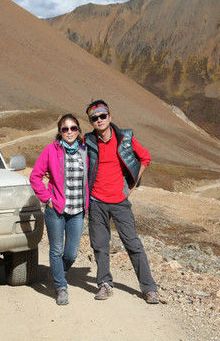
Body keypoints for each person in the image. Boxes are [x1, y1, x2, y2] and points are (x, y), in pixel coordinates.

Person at [84, 100, 159, 304]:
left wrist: (132, 184)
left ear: (110, 117)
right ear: (91, 121)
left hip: (119, 201)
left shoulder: (125, 137)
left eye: (102, 116)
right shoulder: (88, 140)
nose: (99, 120)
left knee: (133, 244)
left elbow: (145, 157)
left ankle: (149, 288)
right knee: (100, 245)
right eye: (94, 118)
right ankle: (105, 284)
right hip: (96, 201)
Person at [30, 114, 88, 305]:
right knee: (56, 250)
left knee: (71, 253)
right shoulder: (50, 150)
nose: (69, 132)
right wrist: (47, 198)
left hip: (78, 210)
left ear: (78, 131)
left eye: (73, 128)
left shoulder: (84, 151)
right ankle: (61, 287)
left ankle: (57, 272)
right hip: (56, 210)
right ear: (60, 131)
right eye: (65, 129)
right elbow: (35, 177)